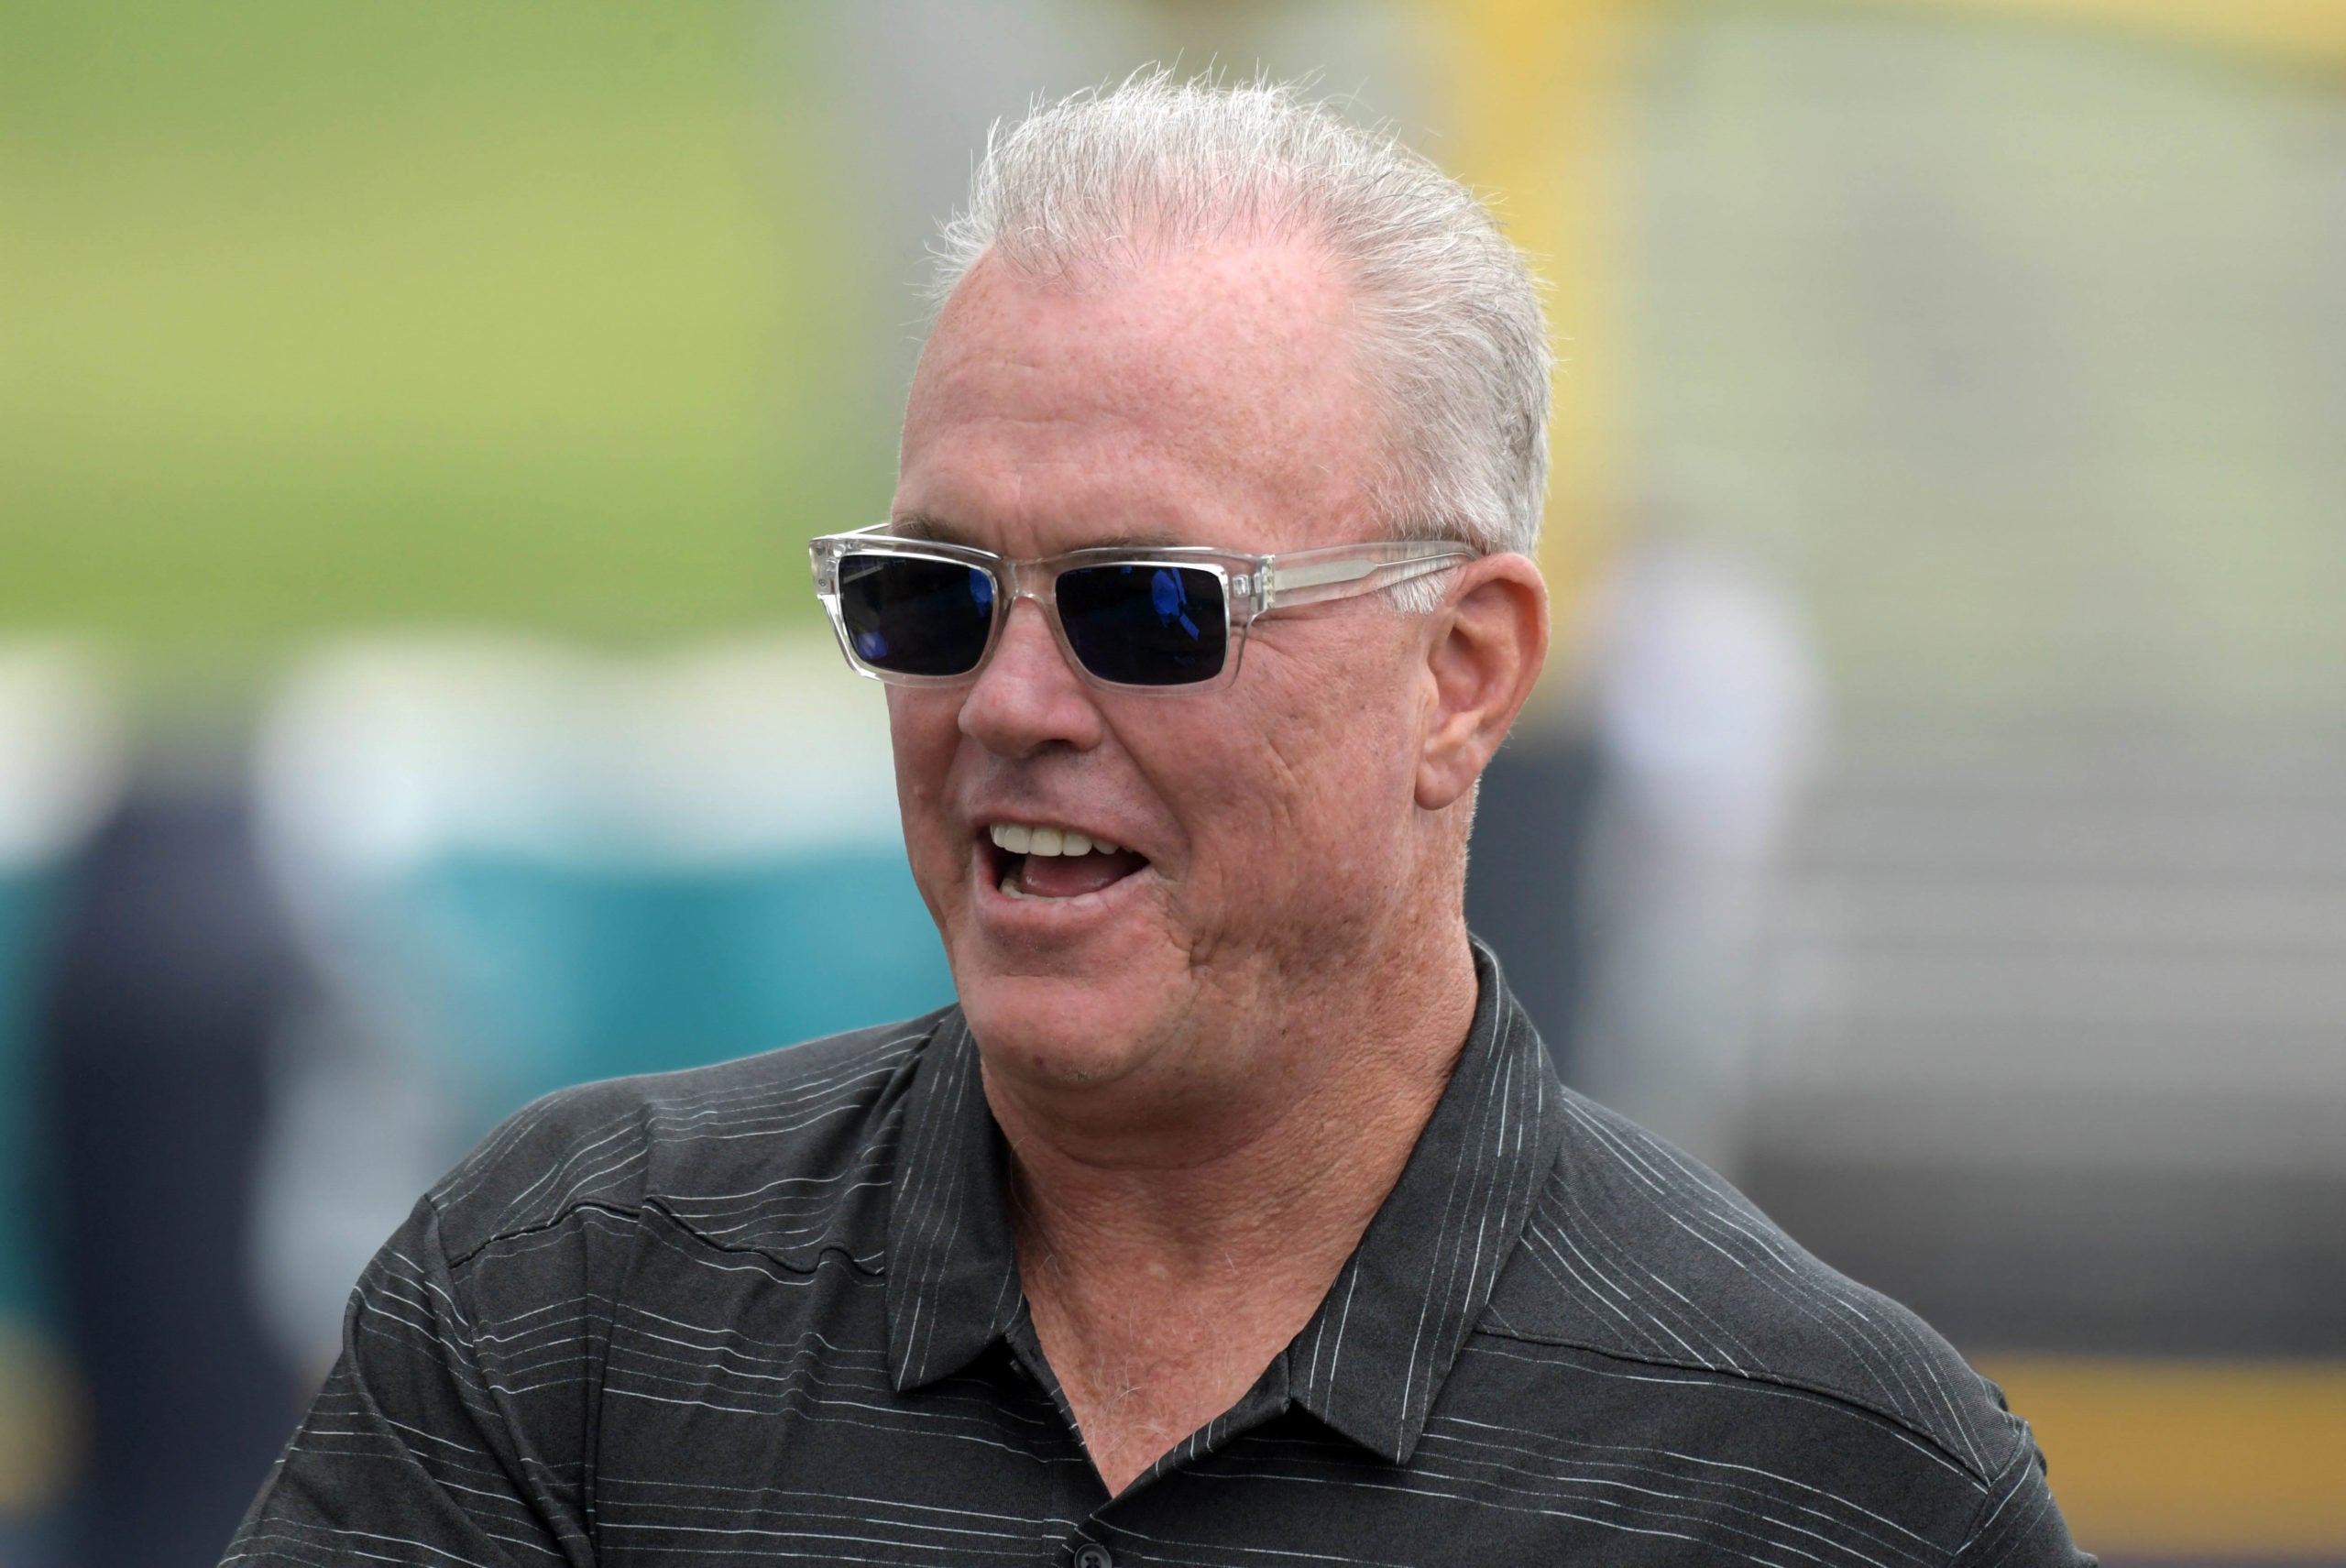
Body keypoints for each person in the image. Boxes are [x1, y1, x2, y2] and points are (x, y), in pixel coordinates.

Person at [225, 74, 2088, 1566]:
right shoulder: (568, 1305)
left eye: (1145, 607)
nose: (1014, 704)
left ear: (1460, 671)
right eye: (929, 598)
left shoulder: (1827, 1486)